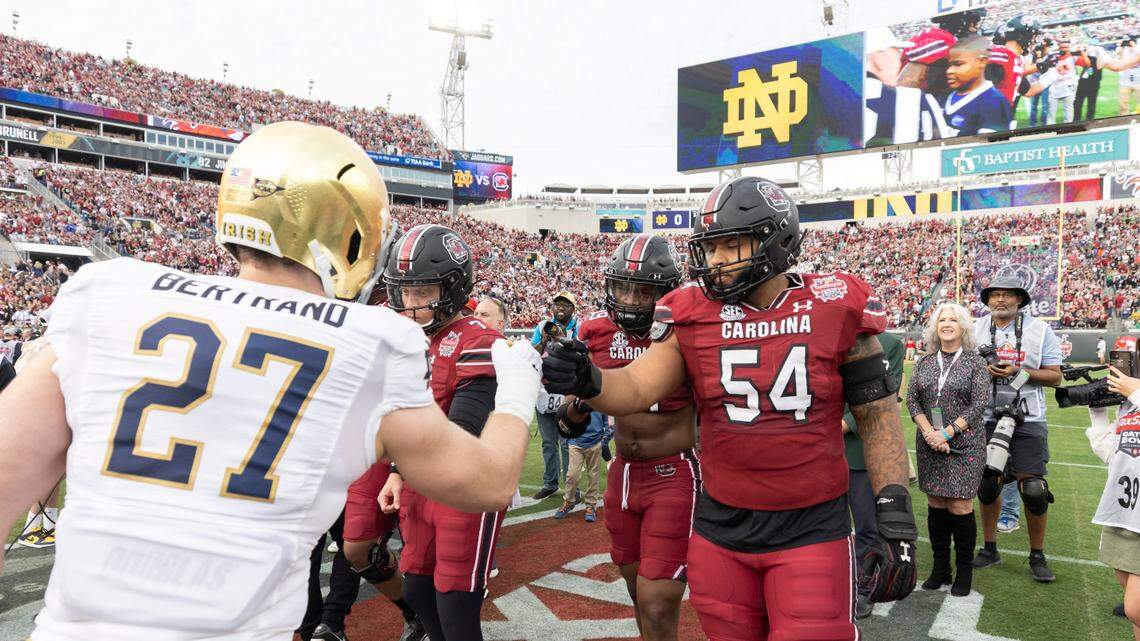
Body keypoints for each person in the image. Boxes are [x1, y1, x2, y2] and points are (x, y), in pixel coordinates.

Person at [0, 122, 543, 640]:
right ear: (351, 235)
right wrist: (517, 392)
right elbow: (489, 482)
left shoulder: (107, 294)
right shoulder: (368, 341)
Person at [543, 177, 918, 641]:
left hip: (811, 525)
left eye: (731, 245)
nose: (716, 261)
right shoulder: (691, 310)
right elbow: (638, 386)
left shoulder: (833, 301)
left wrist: (894, 513)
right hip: (721, 526)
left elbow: (877, 416)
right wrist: (589, 380)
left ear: (776, 240)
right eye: (711, 247)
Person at [561, 233, 697, 640]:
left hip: (674, 471)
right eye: (623, 287)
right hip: (623, 473)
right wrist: (576, 403)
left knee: (657, 599)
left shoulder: (686, 330)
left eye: (644, 291)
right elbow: (571, 420)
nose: (632, 300)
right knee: (638, 592)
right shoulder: (596, 331)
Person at [378, 223, 508, 641]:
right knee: (416, 587)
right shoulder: (412, 340)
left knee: (455, 603)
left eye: (423, 292)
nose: (411, 304)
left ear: (452, 288)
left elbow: (460, 432)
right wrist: (397, 470)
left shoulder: (478, 340)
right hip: (422, 482)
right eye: (406, 292)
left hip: (464, 484)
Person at [972, 276, 1063, 582]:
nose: (1000, 300)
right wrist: (980, 370)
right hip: (985, 415)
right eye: (995, 295)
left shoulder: (1040, 330)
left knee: (1034, 490)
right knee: (987, 483)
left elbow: (1055, 377)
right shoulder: (973, 329)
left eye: (1008, 295)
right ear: (987, 301)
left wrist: (1018, 372)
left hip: (1028, 417)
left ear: (1019, 300)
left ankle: (1037, 555)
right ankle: (989, 548)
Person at [908, 303, 990, 597]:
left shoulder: (975, 362)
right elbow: (913, 401)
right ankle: (941, 567)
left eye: (953, 320)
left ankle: (964, 570)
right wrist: (930, 432)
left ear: (963, 327)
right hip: (930, 442)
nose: (947, 324)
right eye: (942, 320)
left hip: (965, 444)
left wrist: (948, 431)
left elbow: (979, 403)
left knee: (959, 505)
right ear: (935, 327)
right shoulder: (925, 361)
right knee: (936, 504)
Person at [844, 330, 904, 619]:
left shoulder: (889, 342)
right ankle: (834, 582)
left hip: (859, 450)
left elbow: (883, 396)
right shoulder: (812, 327)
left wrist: (837, 425)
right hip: (817, 453)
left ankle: (863, 585)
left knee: (867, 525)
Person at [1086, 337, 1140, 639]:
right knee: (1133, 606)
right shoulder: (1130, 399)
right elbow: (1114, 453)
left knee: (1135, 607)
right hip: (1125, 511)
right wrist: (1097, 413)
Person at [531, 292, 579, 500]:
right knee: (548, 442)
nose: (561, 307)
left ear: (573, 309)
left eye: (566, 304)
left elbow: (582, 356)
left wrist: (564, 340)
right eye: (557, 303)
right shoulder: (543, 325)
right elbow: (532, 354)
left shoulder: (578, 327)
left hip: (567, 392)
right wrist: (543, 339)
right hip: (544, 392)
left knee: (567, 443)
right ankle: (550, 483)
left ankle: (572, 488)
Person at [944, 37, 1013, 136]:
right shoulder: (949, 95)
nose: (949, 71)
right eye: (949, 65)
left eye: (958, 64)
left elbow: (988, 148)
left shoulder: (993, 101)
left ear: (982, 61)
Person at [555, 411, 605, 522]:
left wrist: (603, 440)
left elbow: (609, 421)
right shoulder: (574, 397)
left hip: (595, 443)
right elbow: (563, 418)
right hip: (575, 443)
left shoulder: (600, 400)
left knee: (593, 475)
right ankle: (568, 501)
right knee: (572, 475)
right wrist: (567, 439)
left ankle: (591, 506)